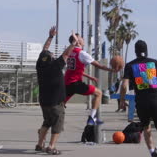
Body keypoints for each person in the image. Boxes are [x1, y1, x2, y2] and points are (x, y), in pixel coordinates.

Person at [120, 40, 157, 157]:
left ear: (135, 51)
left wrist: (122, 100)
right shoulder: (156, 63)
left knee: (146, 127)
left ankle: (152, 151)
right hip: (156, 100)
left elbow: (124, 86)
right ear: (146, 50)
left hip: (141, 101)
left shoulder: (130, 65)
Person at [35, 27, 77, 155]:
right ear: (51, 59)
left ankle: (39, 144)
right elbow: (65, 54)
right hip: (55, 102)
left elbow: (45, 50)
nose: (53, 54)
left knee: (47, 122)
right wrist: (73, 43)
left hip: (44, 101)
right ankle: (51, 146)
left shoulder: (40, 65)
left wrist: (50, 37)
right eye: (52, 55)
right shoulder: (55, 66)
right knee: (57, 124)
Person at [64, 33, 116, 125]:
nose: (83, 39)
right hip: (75, 83)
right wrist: (112, 70)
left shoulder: (69, 52)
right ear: (77, 41)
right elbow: (98, 65)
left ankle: (46, 125)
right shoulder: (82, 54)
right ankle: (92, 118)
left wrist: (89, 77)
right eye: (81, 38)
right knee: (99, 93)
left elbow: (75, 70)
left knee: (58, 106)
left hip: (67, 83)